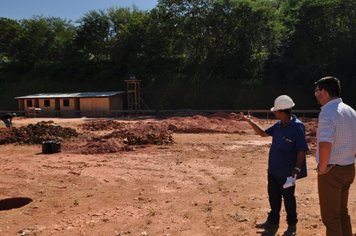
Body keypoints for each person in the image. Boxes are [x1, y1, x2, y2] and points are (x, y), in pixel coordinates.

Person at [240, 95, 308, 236]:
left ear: (283, 111)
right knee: (274, 197)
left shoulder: (297, 127)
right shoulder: (278, 125)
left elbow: (301, 150)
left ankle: (292, 225)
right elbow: (262, 133)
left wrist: (296, 169)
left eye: (276, 111)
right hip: (273, 170)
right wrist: (249, 121)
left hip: (287, 173)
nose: (274, 113)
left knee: (289, 199)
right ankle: (273, 221)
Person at [314, 76, 356, 236]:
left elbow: (325, 144)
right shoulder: (351, 111)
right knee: (342, 213)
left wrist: (322, 169)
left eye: (317, 90)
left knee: (331, 219)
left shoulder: (327, 113)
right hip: (349, 168)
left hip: (332, 171)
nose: (315, 94)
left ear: (324, 92)